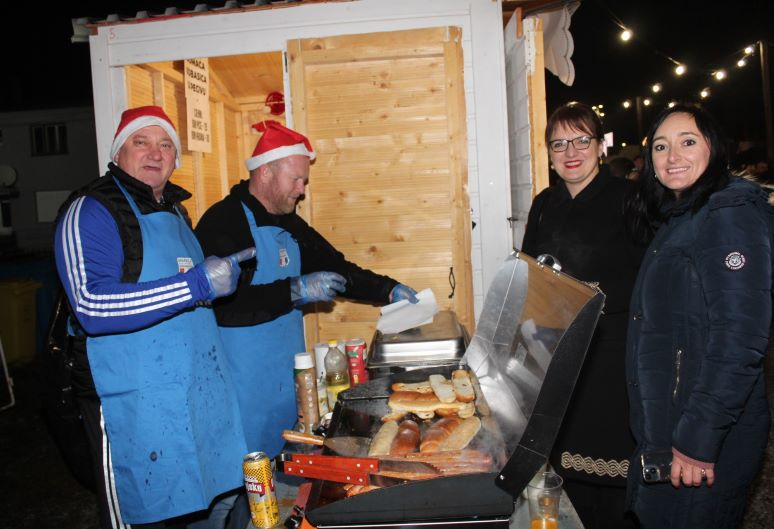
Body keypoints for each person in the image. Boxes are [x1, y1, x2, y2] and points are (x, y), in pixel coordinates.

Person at [54, 106, 254, 529]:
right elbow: (92, 305)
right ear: (118, 152)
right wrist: (197, 285)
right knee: (144, 517)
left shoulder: (178, 213)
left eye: (166, 144)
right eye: (140, 141)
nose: (155, 153)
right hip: (130, 402)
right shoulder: (92, 210)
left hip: (194, 398)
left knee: (211, 505)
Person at [195, 120, 417, 456]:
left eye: (304, 181)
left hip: (286, 383)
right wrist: (295, 290)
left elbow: (338, 270)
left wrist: (388, 289)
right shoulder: (223, 222)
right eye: (296, 179)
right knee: (237, 485)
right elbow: (226, 308)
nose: (301, 189)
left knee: (281, 477)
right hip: (237, 389)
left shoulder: (290, 223)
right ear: (266, 171)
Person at [625, 103, 772, 528]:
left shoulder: (728, 215)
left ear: (715, 148)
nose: (673, 157)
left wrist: (697, 439)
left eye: (688, 142)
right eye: (660, 146)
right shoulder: (683, 215)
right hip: (674, 423)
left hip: (702, 435)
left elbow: (739, 339)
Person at [522, 102, 643, 529]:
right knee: (567, 477)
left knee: (615, 483)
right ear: (549, 153)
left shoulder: (629, 199)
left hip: (613, 356)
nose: (570, 151)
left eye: (581, 140)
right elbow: (532, 275)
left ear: (599, 145)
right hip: (558, 354)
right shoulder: (543, 203)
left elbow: (651, 279)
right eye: (559, 143)